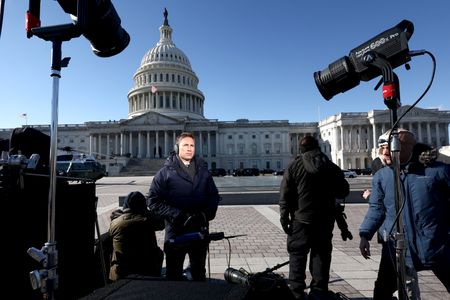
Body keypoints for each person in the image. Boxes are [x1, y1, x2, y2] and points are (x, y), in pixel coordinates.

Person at [359, 129, 450, 298]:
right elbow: (376, 208)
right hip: (395, 245)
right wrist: (365, 234)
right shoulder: (382, 176)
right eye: (382, 148)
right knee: (382, 291)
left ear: (408, 148)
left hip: (435, 241)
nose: (385, 153)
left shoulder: (438, 171)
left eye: (390, 148)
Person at [279, 135, 350, 300]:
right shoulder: (330, 166)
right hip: (324, 221)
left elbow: (285, 195)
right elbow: (343, 191)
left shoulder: (294, 166)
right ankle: (319, 293)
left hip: (301, 220)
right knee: (321, 256)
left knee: (297, 256)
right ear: (318, 148)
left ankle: (296, 293)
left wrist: (284, 217)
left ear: (301, 150)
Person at [148, 132, 220, 281]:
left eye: (192, 145)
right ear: (177, 148)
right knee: (174, 275)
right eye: (185, 145)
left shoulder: (204, 172)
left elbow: (214, 196)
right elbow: (153, 200)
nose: (189, 149)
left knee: (199, 274)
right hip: (176, 231)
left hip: (199, 230)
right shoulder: (164, 173)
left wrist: (204, 215)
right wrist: (178, 215)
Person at [109, 191, 164, 281]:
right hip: (147, 271)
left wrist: (120, 215)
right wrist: (147, 212)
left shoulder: (115, 223)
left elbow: (111, 234)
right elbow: (161, 223)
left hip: (121, 272)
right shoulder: (148, 221)